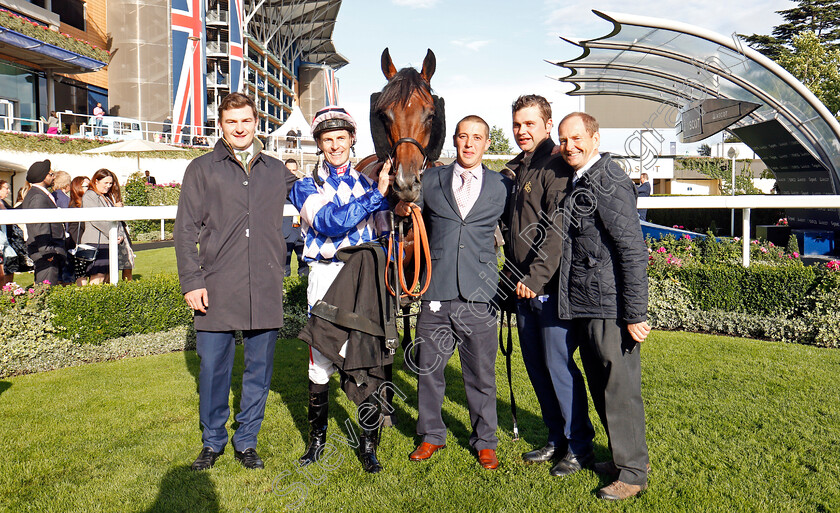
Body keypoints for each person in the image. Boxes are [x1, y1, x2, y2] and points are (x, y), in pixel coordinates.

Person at [174, 92, 296, 471]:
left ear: (256, 123)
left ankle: (247, 441)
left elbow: (318, 204)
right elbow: (184, 231)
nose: (240, 128)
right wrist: (192, 281)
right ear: (221, 126)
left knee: (258, 372)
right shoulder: (201, 169)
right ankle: (213, 442)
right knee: (212, 371)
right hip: (215, 286)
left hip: (264, 285)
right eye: (232, 122)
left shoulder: (277, 171)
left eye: (246, 121)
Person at [289, 106, 391, 473]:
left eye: (341, 138)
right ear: (319, 144)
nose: (335, 145)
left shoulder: (370, 184)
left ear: (352, 140)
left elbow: (383, 232)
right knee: (321, 359)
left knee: (362, 353)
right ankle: (317, 441)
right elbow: (331, 223)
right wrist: (376, 196)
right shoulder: (304, 185)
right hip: (324, 276)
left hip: (361, 277)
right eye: (327, 139)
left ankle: (368, 445)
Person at [556, 112, 651, 501]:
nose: (569, 146)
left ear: (594, 138)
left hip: (610, 306)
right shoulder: (582, 180)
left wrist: (636, 313)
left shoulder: (607, 179)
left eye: (576, 138)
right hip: (588, 302)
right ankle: (619, 459)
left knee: (620, 389)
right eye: (563, 140)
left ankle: (632, 473)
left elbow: (632, 249)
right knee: (603, 386)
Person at [407, 115, 511, 470]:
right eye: (463, 137)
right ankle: (431, 435)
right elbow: (411, 221)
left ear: (487, 144)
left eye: (477, 138)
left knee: (481, 374)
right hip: (436, 290)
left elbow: (513, 234)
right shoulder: (431, 179)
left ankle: (485, 441)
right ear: (455, 140)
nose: (469, 144)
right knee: (428, 370)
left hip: (479, 294)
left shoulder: (501, 186)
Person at [503, 95, 595, 476]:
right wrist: (511, 284)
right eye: (517, 124)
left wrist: (535, 278)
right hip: (521, 289)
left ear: (546, 124)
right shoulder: (519, 167)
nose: (522, 131)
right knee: (537, 367)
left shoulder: (556, 166)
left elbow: (557, 229)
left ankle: (580, 446)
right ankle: (556, 438)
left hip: (549, 287)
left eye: (530, 124)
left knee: (558, 366)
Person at [20, 160, 66, 285]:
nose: (53, 177)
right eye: (51, 174)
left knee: (47, 287)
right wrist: (47, 251)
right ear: (43, 177)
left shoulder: (39, 194)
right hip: (45, 251)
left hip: (47, 249)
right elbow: (39, 225)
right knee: (45, 288)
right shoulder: (38, 196)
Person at [81, 169, 126, 285]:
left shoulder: (106, 197)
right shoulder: (90, 195)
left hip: (108, 242)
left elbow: (115, 220)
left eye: (110, 183)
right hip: (96, 242)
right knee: (98, 276)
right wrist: (114, 234)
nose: (108, 186)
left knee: (107, 277)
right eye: (105, 183)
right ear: (96, 181)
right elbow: (97, 220)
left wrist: (120, 234)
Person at [104, 170, 135, 281]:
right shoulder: (103, 196)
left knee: (128, 262)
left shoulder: (115, 195)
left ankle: (127, 287)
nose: (110, 185)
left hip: (121, 229)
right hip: (111, 230)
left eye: (112, 183)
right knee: (110, 265)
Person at [0, 180, 31, 284]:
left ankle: (6, 293)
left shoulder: (4, 203)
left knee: (9, 271)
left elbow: (15, 212)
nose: (8, 191)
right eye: (6, 188)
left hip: (8, 244)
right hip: (1, 243)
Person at [282, 159, 307, 277]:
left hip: (301, 233)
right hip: (285, 233)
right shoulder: (278, 190)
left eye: (294, 170)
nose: (291, 173)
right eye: (288, 170)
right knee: (283, 268)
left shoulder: (302, 190)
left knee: (304, 267)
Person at [68, 176, 90, 286]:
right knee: (81, 276)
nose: (90, 188)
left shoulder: (87, 204)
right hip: (79, 244)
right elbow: (73, 228)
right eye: (87, 186)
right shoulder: (75, 206)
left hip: (87, 243)